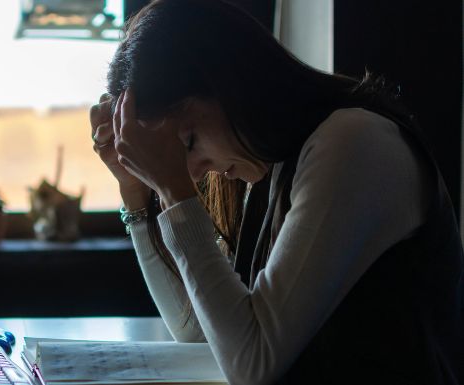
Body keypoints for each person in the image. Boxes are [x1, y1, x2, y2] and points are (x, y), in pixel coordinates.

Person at [89, 0, 464, 384]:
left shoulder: (353, 143)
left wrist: (173, 191)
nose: (196, 170)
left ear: (228, 84)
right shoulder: (272, 166)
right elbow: (198, 330)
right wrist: (136, 191)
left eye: (189, 142)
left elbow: (253, 364)